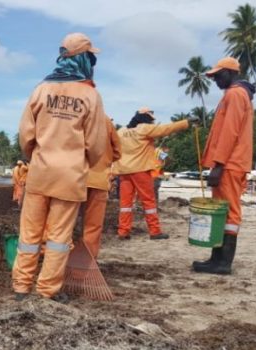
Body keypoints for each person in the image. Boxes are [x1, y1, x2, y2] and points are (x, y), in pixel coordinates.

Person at [13, 32, 108, 302]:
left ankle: (21, 288)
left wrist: (37, 155)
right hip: (70, 176)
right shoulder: (90, 95)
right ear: (84, 59)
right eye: (91, 57)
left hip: (40, 173)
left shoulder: (41, 89)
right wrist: (79, 161)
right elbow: (97, 144)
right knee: (58, 238)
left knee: (29, 235)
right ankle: (47, 291)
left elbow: (25, 135)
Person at [193, 57, 255, 275]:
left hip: (229, 163)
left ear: (231, 73)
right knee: (223, 212)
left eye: (219, 75)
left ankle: (223, 262)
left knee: (229, 213)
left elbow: (230, 132)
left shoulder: (235, 94)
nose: (216, 80)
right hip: (230, 163)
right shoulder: (235, 94)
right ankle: (217, 259)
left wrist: (218, 164)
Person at [113, 107, 193, 240]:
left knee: (125, 204)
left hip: (124, 172)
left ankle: (123, 231)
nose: (151, 123)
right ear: (144, 118)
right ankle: (155, 231)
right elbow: (166, 129)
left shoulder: (121, 131)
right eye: (150, 120)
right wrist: (186, 122)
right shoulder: (144, 128)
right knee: (148, 202)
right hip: (140, 170)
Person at [80, 117, 121, 256]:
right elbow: (117, 151)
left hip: (73, 178)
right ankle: (87, 259)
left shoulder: (73, 115)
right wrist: (104, 160)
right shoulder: (106, 121)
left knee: (63, 222)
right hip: (98, 179)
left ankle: (54, 259)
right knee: (93, 224)